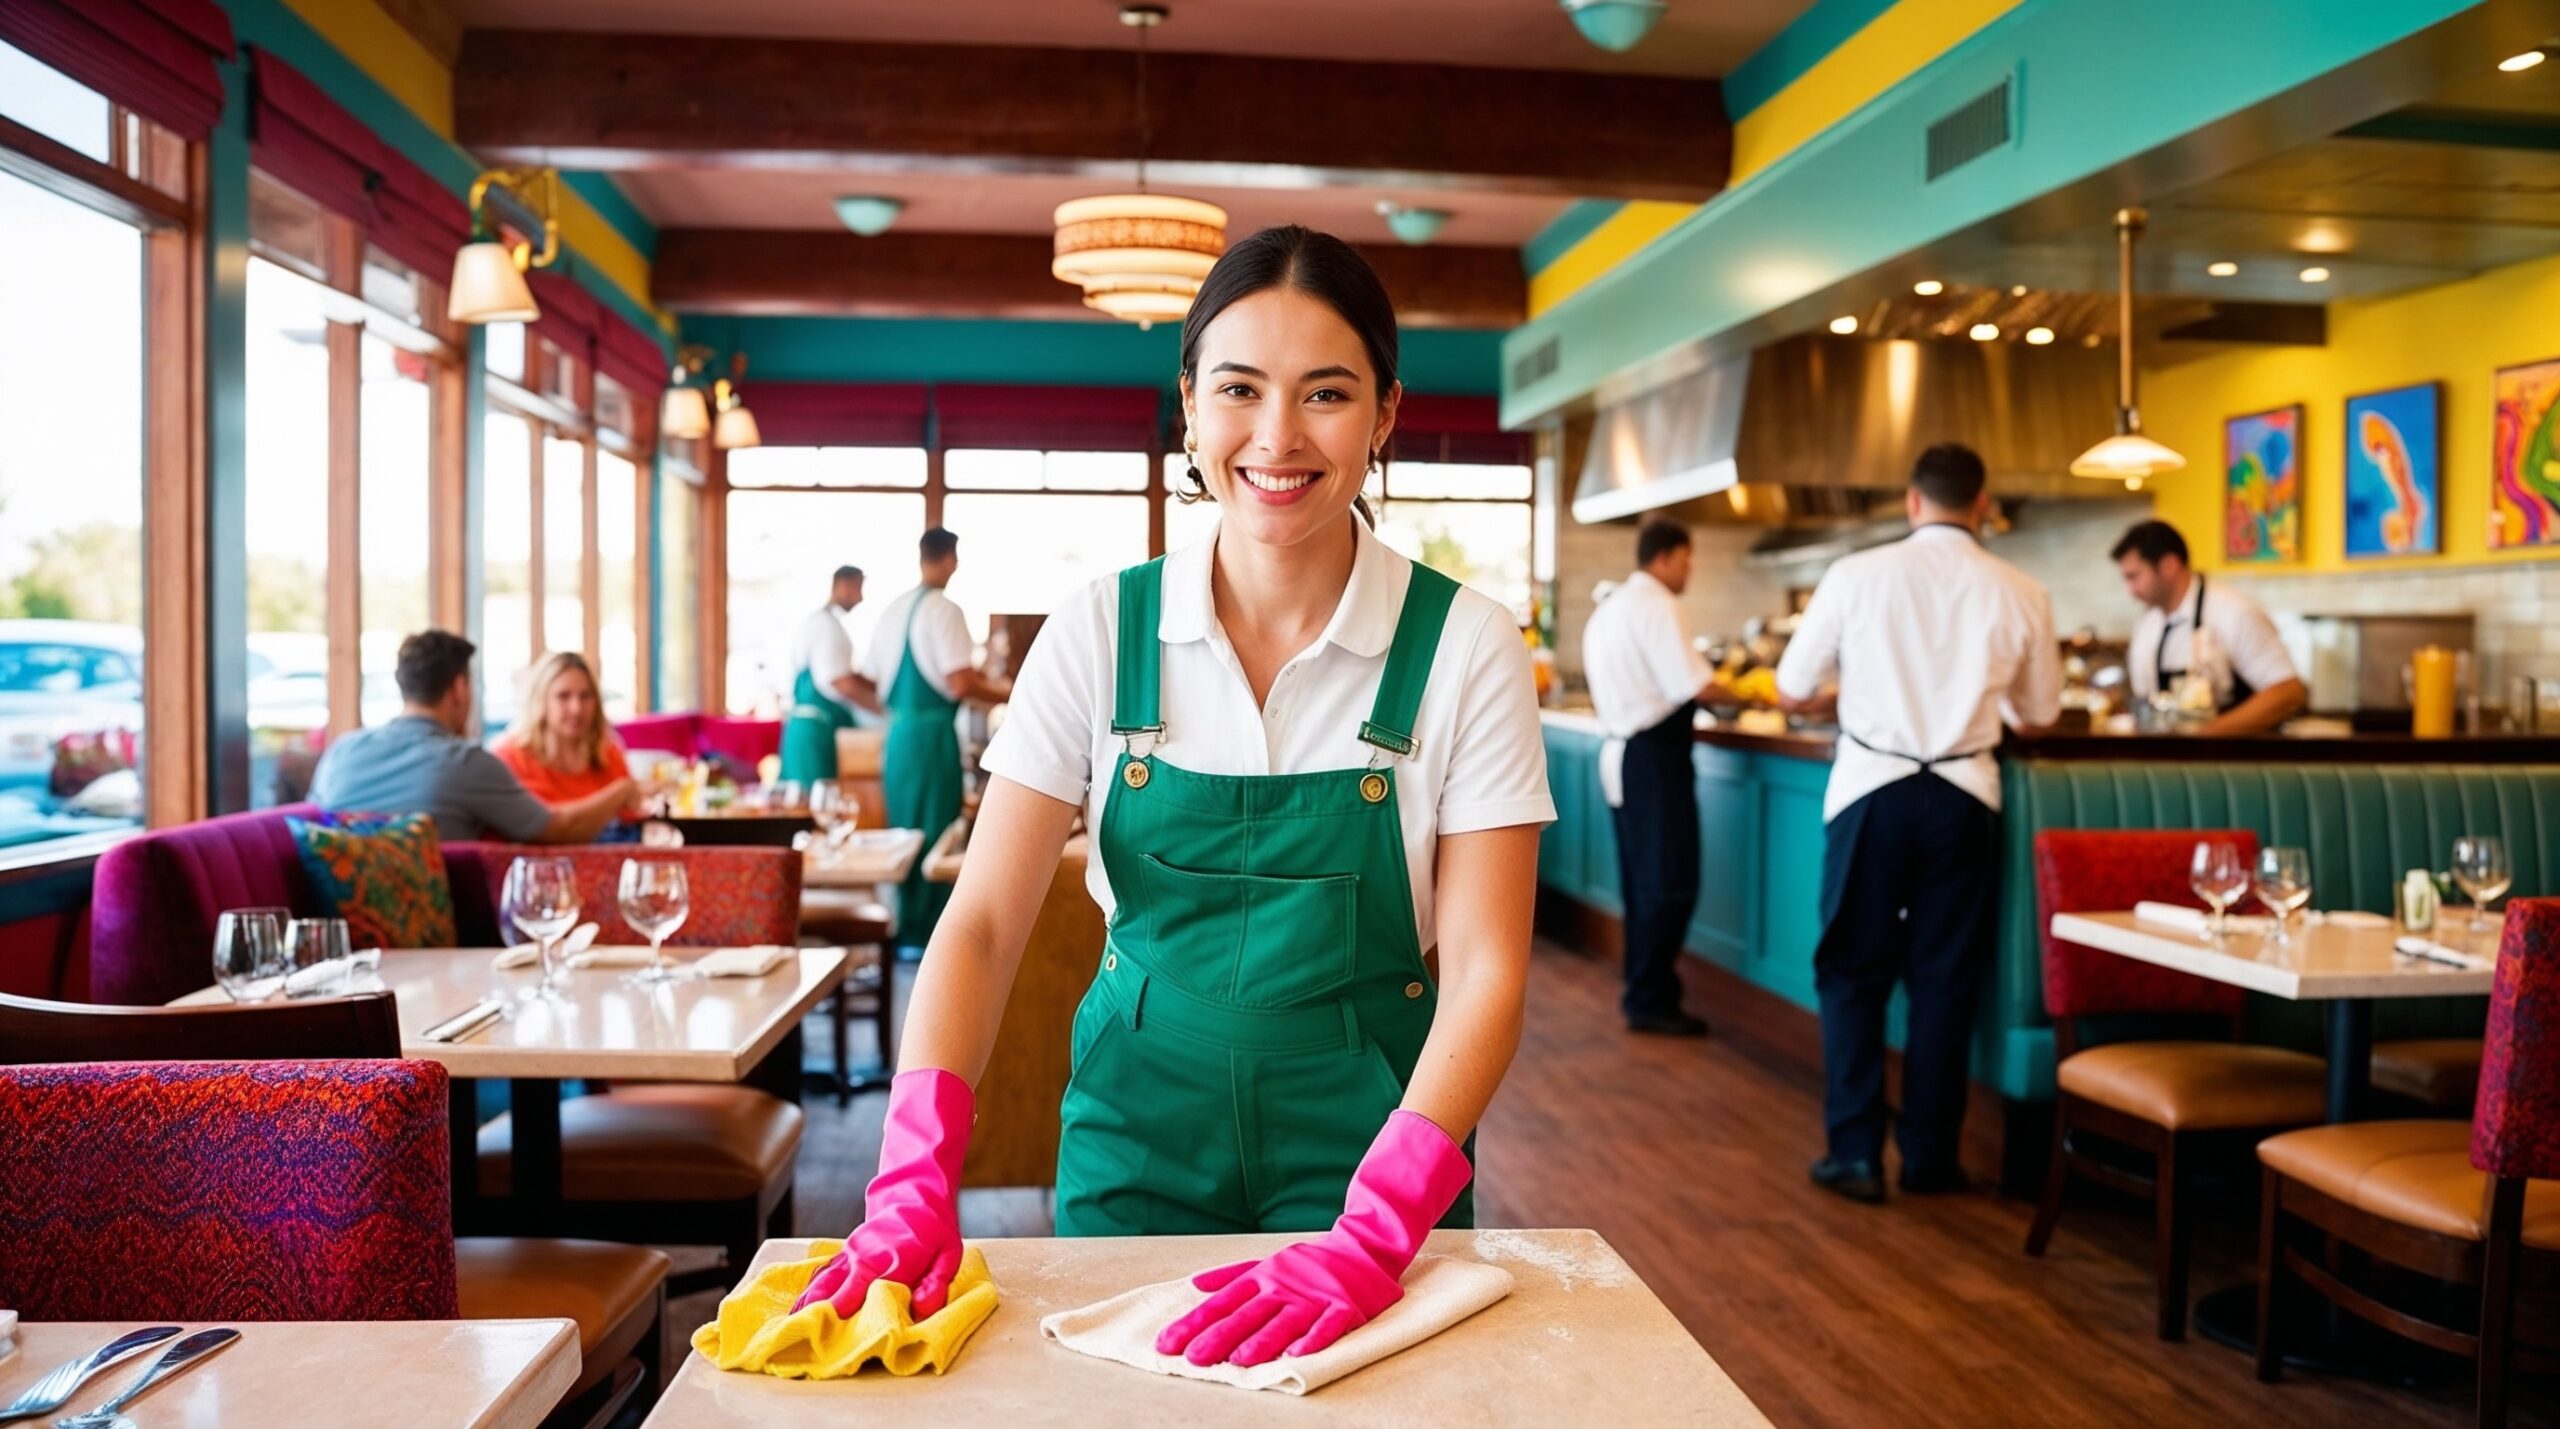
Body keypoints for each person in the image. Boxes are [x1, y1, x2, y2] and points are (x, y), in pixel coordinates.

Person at [793, 226, 1553, 1371]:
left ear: (1386, 414)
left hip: (1374, 1135)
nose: (1278, 436)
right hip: (1136, 1120)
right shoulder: (1099, 631)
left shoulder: (1466, 644)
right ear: (1189, 406)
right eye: (1238, 389)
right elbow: (987, 920)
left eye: (1328, 393)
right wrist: (910, 1171)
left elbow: (1489, 970)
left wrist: (1376, 1225)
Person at [1774, 444, 2061, 1204]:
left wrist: (1859, 689)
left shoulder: (1856, 574)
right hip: (1968, 793)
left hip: (1873, 784)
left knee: (1851, 973)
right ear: (1982, 502)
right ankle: (1932, 1157)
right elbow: (2041, 713)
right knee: (1945, 978)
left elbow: (1793, 684)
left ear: (1912, 501)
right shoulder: (2021, 588)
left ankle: (1857, 1152)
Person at [1579, 516, 1720, 1036]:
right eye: (1687, 559)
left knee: (1644, 884)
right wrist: (1751, 695)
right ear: (1664, 557)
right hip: (1654, 761)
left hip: (1625, 755)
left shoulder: (1612, 607)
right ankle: (1651, 996)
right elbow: (1694, 685)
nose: (1689, 570)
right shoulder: (1658, 604)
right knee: (1670, 882)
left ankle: (1645, 990)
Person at [311, 630, 631, 843]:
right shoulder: (467, 763)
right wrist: (623, 791)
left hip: (339, 930)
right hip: (445, 937)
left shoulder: (341, 752)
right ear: (459, 689)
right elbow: (557, 830)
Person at [859, 529, 1009, 949]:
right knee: (935, 829)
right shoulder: (944, 609)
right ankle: (930, 937)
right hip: (931, 735)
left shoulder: (892, 610)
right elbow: (961, 683)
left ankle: (905, 929)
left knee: (904, 831)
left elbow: (868, 679)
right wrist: (1012, 692)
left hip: (899, 733)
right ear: (950, 560)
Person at [2112, 519, 2305, 736]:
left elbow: (2287, 692)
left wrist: (2208, 735)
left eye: (2134, 577)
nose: (2130, 590)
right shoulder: (2148, 624)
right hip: (2168, 762)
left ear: (2169, 565)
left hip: (2234, 761)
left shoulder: (2235, 612)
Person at [492, 651, 639, 814]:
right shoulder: (509, 760)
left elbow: (631, 818)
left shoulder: (608, 753)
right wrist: (619, 793)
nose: (576, 709)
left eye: (586, 696)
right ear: (541, 700)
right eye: (563, 696)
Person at [780, 565, 880, 785]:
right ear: (842, 585)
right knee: (815, 805)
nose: (861, 598)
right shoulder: (826, 627)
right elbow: (841, 682)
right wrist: (883, 710)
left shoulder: (818, 622)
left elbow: (845, 674)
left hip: (806, 731)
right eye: (857, 589)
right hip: (812, 734)